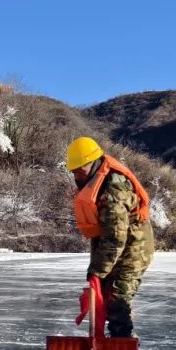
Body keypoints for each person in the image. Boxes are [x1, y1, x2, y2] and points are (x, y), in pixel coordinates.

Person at [67, 136, 154, 338]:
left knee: (117, 299)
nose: (77, 177)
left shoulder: (114, 190)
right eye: (74, 172)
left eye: (81, 171)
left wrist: (97, 270)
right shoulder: (97, 181)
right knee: (105, 297)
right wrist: (98, 271)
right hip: (115, 247)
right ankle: (112, 342)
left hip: (134, 251)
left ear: (95, 163)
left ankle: (122, 347)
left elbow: (115, 237)